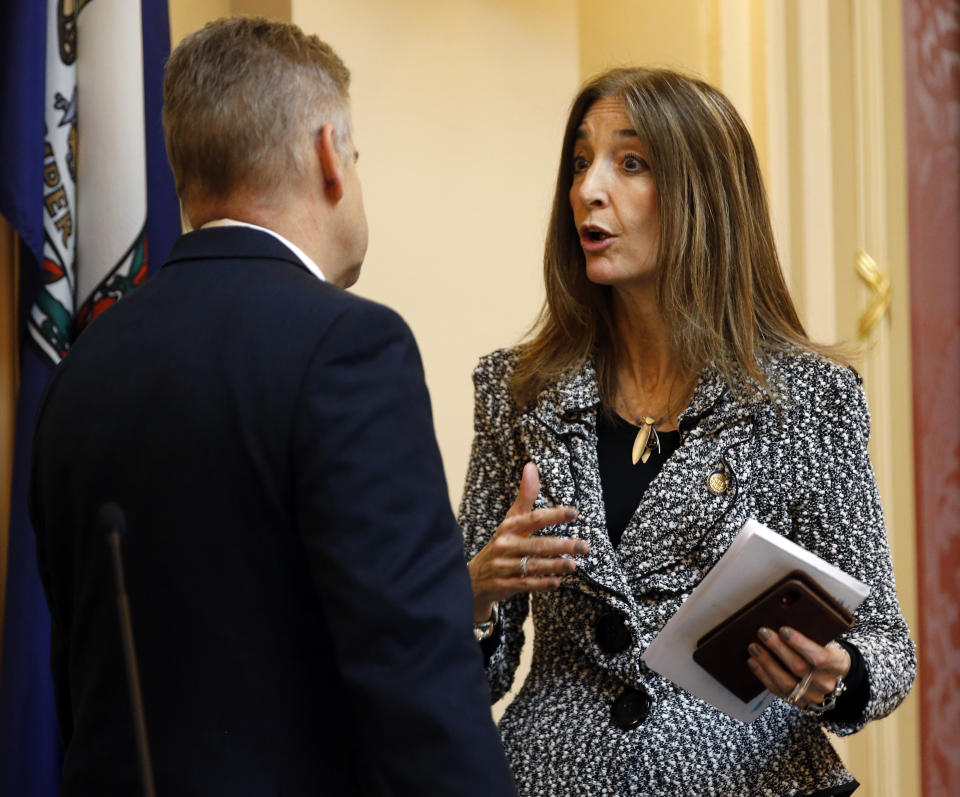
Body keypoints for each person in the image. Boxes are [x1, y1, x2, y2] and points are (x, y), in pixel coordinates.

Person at [30, 18, 519, 796]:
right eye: (358, 159)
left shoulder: (83, 365)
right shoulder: (351, 348)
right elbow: (417, 679)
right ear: (330, 154)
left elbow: (80, 676)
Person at [460, 68, 916, 796]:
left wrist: (839, 676)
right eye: (582, 162)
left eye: (630, 162)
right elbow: (467, 677)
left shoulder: (810, 397)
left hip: (748, 778)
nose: (589, 189)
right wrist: (474, 591)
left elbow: (888, 647)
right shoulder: (516, 394)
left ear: (705, 197)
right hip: (553, 777)